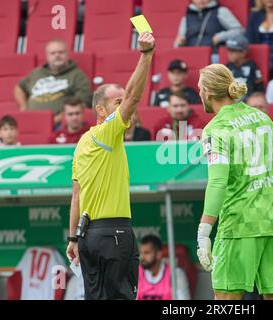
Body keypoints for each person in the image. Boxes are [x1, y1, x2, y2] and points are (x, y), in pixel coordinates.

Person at [196, 64, 273, 300]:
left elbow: (218, 182)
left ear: (208, 92)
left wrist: (204, 232)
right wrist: (258, 186)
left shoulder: (216, 128)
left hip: (239, 225)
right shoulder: (261, 117)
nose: (199, 92)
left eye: (200, 87)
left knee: (225, 299)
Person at [66, 32, 155, 300]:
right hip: (114, 235)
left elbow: (76, 195)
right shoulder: (106, 133)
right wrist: (146, 54)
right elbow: (134, 99)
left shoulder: (82, 143)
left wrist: (73, 239)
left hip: (88, 238)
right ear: (101, 112)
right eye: (117, 103)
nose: (124, 108)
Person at [14, 39, 93, 126]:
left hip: (60, 124)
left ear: (67, 54)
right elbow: (19, 88)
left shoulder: (78, 75)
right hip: (30, 121)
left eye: (61, 52)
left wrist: (55, 120)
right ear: (47, 56)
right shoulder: (37, 72)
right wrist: (24, 106)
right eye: (53, 53)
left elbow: (81, 104)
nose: (57, 55)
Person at [175, 0, 245, 51]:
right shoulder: (186, 17)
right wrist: (180, 42)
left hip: (213, 55)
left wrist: (219, 37)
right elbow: (177, 43)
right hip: (191, 55)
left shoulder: (221, 11)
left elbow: (239, 31)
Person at [137, 235, 191, 300]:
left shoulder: (175, 274)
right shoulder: (136, 273)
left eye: (147, 253)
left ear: (158, 254)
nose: (142, 257)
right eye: (141, 253)